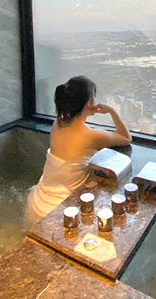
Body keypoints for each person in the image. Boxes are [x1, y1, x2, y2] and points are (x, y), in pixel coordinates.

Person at [24, 75, 132, 226]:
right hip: (59, 210)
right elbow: (126, 137)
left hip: (38, 201)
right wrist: (111, 111)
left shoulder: (58, 123)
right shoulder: (91, 136)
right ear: (89, 103)